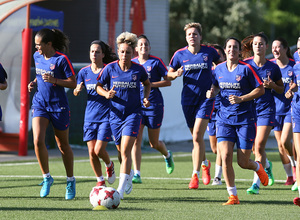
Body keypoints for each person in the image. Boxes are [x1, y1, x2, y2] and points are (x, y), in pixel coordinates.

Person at [206, 37, 268, 205]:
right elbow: (215, 86)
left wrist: (242, 99)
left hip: (245, 120)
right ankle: (233, 195)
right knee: (225, 156)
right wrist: (211, 92)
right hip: (224, 119)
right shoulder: (218, 69)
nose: (232, 50)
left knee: (242, 162)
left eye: (235, 47)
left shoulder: (246, 69)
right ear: (225, 50)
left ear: (239, 51)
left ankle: (257, 167)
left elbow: (260, 89)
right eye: (229, 47)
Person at [96, 32, 151, 199]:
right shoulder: (110, 68)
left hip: (133, 114)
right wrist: (106, 94)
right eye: (122, 52)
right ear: (118, 52)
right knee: (120, 152)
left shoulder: (138, 69)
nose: (125, 55)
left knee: (126, 151)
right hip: (115, 115)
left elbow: (147, 84)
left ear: (133, 53)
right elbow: (98, 86)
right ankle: (129, 173)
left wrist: (145, 97)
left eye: (128, 52)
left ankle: (119, 191)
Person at [167, 22, 221, 189]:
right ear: (186, 37)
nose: (192, 36)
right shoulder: (179, 54)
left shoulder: (209, 52)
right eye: (189, 34)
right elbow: (168, 74)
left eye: (195, 34)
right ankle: (205, 163)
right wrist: (175, 74)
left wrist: (214, 86)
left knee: (197, 136)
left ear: (200, 37)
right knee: (196, 138)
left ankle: (194, 175)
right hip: (188, 100)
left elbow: (222, 67)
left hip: (206, 99)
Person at [28, 28, 77, 200]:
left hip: (59, 107)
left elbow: (73, 83)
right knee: (37, 140)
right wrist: (34, 82)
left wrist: (55, 80)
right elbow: (41, 76)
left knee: (63, 145)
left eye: (38, 45)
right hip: (40, 103)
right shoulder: (37, 57)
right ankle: (47, 178)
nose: (36, 48)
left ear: (49, 44)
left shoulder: (62, 60)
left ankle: (70, 180)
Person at [242, 32, 284, 194]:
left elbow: (281, 89)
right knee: (254, 149)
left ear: (266, 46)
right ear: (251, 47)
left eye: (261, 44)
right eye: (255, 44)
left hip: (266, 109)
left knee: (259, 146)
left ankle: (255, 185)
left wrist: (272, 85)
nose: (258, 46)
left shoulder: (273, 67)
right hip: (248, 110)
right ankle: (266, 166)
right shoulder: (245, 64)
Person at [73, 40, 118, 187]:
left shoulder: (109, 70)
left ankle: (109, 164)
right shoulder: (83, 72)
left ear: (103, 54)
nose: (94, 54)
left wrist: (110, 93)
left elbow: (117, 87)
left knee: (99, 150)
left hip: (106, 115)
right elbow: (75, 90)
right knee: (91, 153)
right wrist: (77, 91)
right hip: (90, 117)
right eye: (92, 51)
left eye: (97, 51)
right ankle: (100, 181)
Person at [131, 34, 174, 184]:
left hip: (154, 105)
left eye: (146, 45)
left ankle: (167, 155)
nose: (143, 47)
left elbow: (168, 82)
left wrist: (149, 84)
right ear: (136, 48)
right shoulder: (132, 63)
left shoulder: (156, 62)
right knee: (136, 140)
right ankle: (137, 173)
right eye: (140, 45)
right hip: (137, 106)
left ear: (149, 47)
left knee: (153, 143)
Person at [271, 37, 297, 186]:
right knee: (280, 145)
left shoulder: (294, 66)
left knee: (285, 140)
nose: (274, 50)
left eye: (278, 47)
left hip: (291, 109)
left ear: (285, 49)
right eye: (273, 47)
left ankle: (295, 166)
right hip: (275, 109)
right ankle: (289, 176)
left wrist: (294, 91)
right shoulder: (271, 66)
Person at [207, 44, 226, 186]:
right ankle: (207, 164)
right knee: (214, 148)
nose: (217, 57)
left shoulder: (226, 69)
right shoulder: (209, 71)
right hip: (210, 112)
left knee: (220, 146)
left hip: (224, 111)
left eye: (219, 54)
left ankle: (217, 177)